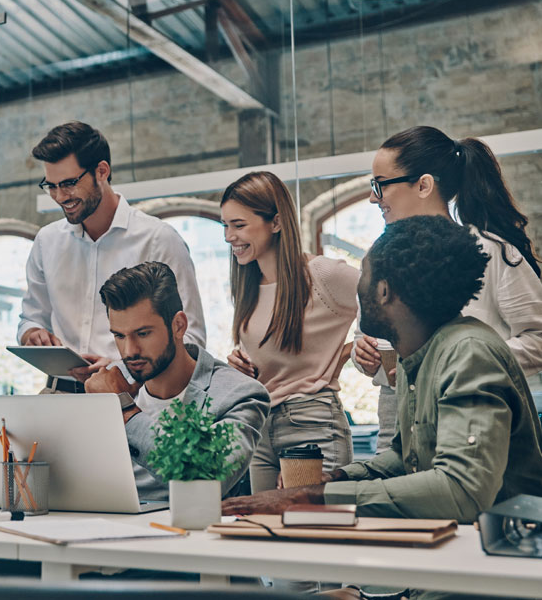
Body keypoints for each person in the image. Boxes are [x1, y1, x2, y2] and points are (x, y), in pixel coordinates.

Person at [223, 216, 542, 600]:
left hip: (491, 577)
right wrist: (333, 480)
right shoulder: (416, 356)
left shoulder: (468, 353)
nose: (358, 287)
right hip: (446, 570)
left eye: (364, 276)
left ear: (385, 291)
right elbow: (405, 456)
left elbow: (461, 489)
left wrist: (314, 499)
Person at [353, 126, 542, 452]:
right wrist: (364, 353)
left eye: (380, 185)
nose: (373, 197)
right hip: (397, 417)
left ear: (424, 185)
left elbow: (538, 339)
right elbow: (370, 337)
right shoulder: (381, 257)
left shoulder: (490, 251)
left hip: (472, 414)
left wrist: (460, 366)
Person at [17, 121, 206, 388]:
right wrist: (32, 334)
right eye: (51, 186)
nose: (60, 196)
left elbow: (191, 340)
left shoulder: (158, 240)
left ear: (102, 171)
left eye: (69, 183)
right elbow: (31, 318)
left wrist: (124, 371)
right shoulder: (47, 242)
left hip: (134, 395)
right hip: (59, 392)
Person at [220, 171, 359, 494]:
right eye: (225, 226)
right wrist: (241, 367)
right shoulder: (248, 286)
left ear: (277, 223)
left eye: (238, 225)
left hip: (311, 425)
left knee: (313, 534)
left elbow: (393, 302)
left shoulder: (321, 275)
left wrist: (346, 354)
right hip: (261, 427)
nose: (229, 236)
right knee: (267, 536)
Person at [84, 261, 269, 500]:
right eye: (119, 336)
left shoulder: (240, 395)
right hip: (101, 524)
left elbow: (205, 480)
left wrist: (126, 411)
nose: (129, 351)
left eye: (143, 334)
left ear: (178, 326)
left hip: (187, 530)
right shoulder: (109, 385)